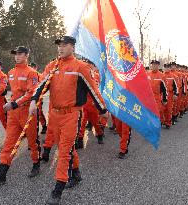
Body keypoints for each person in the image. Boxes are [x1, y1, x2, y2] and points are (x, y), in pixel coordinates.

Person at [29, 36, 109, 205]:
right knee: (66, 147)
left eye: (64, 45)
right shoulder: (53, 66)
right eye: (59, 45)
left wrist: (102, 109)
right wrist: (33, 101)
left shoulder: (81, 67)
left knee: (64, 151)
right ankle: (77, 173)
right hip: (55, 114)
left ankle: (58, 188)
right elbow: (41, 85)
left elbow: (94, 90)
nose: (60, 48)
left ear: (73, 47)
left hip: (72, 114)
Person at [0, 46, 41, 182]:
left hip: (27, 112)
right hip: (13, 113)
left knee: (32, 142)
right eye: (15, 54)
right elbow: (13, 92)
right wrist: (12, 104)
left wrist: (15, 103)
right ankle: (2, 172)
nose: (17, 56)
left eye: (20, 54)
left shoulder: (32, 73)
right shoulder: (11, 72)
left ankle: (36, 164)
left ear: (26, 55)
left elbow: (32, 93)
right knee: (9, 142)